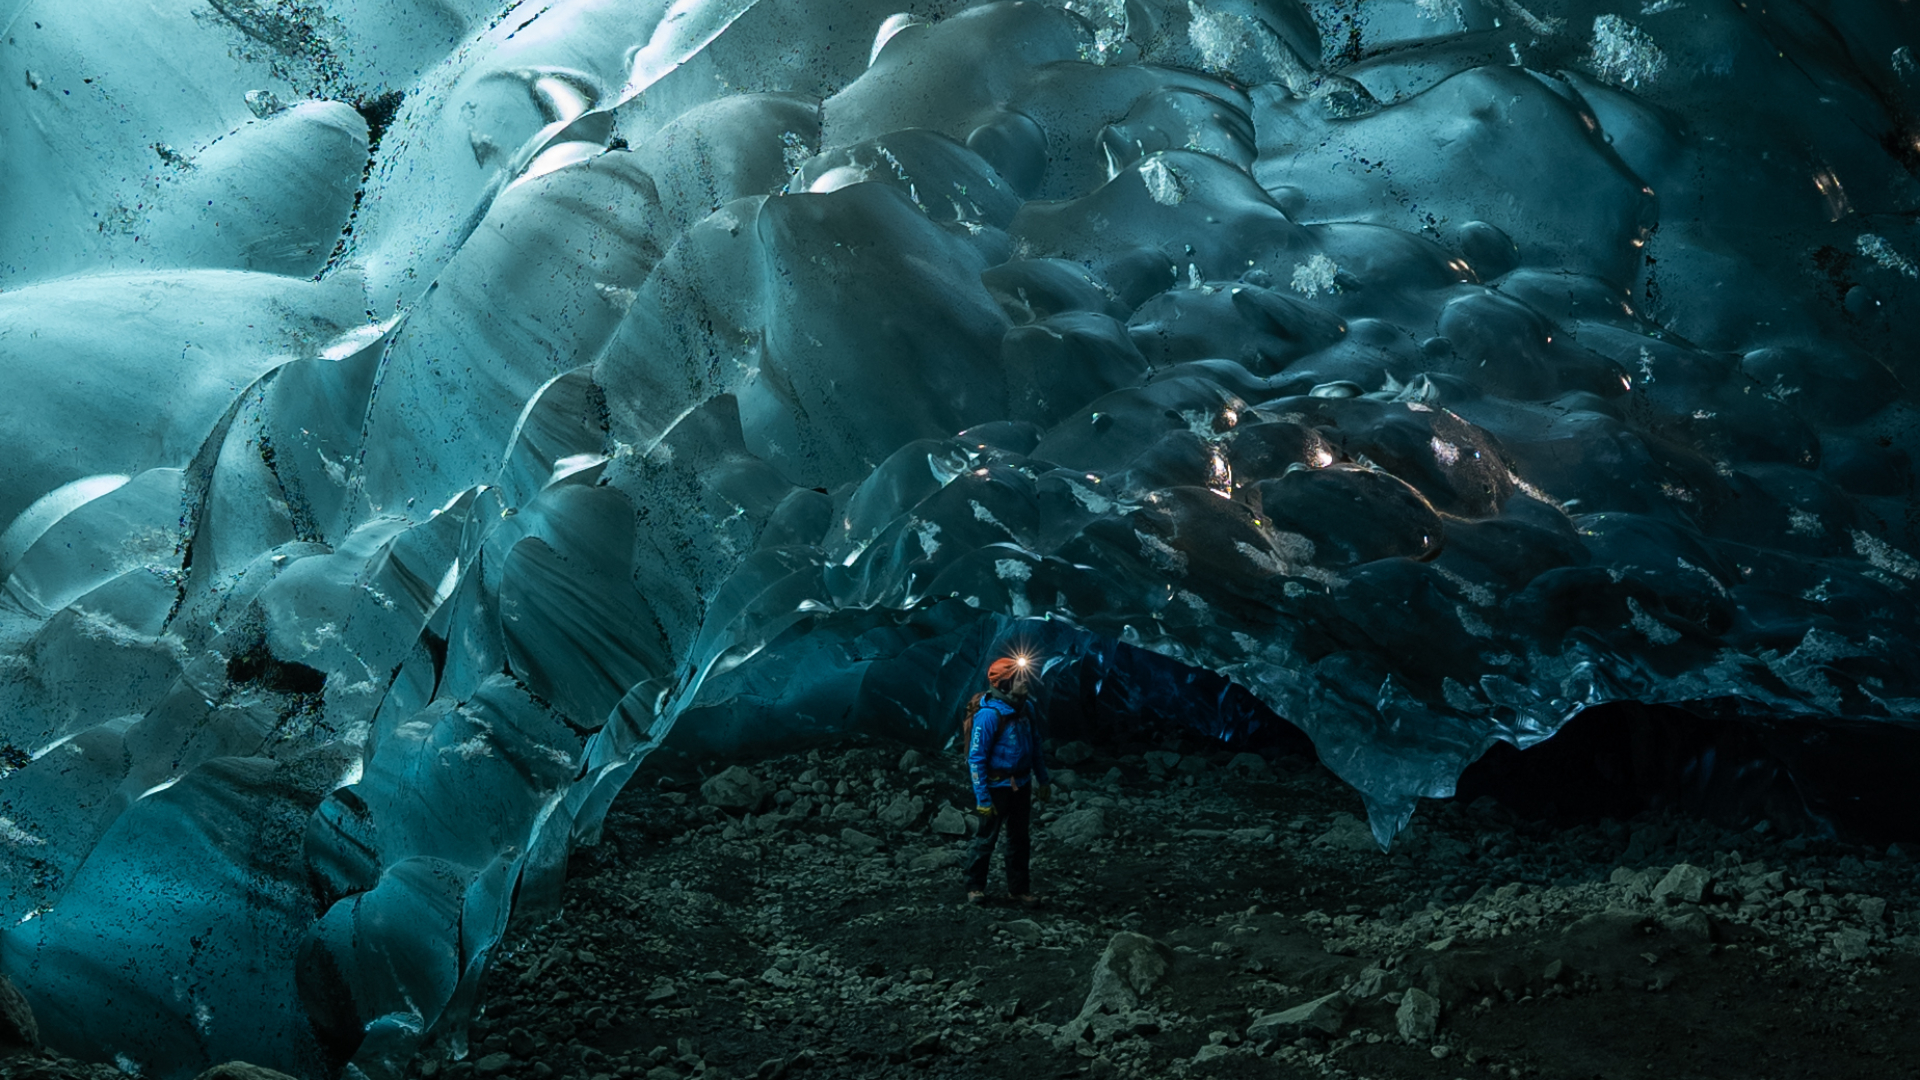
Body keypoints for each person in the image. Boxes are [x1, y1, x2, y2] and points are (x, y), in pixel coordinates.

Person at [964, 655, 1052, 904]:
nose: (1026, 682)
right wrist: (983, 798)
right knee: (986, 839)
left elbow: (1035, 745)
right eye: (1019, 679)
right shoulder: (989, 715)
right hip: (996, 787)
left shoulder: (1026, 708)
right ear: (1004, 685)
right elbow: (976, 759)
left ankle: (1019, 889)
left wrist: (1043, 780)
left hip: (1021, 784)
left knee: (1019, 839)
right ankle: (975, 887)